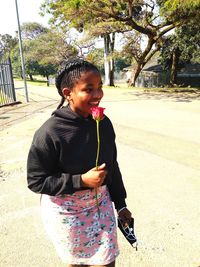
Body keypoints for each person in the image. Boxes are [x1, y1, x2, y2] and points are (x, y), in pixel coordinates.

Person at [27, 58, 132, 267]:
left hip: (100, 206)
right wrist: (81, 180)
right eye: (89, 89)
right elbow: (36, 181)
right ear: (68, 93)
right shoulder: (50, 132)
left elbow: (112, 165)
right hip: (67, 213)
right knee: (77, 264)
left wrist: (120, 205)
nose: (98, 95)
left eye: (100, 87)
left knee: (106, 262)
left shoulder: (103, 123)